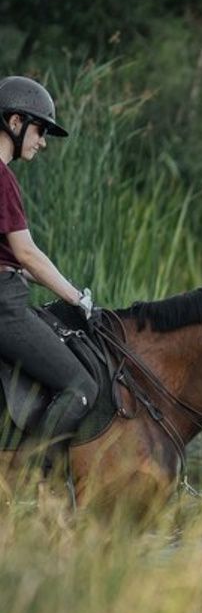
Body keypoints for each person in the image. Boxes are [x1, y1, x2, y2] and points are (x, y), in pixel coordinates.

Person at [0, 75, 98, 480]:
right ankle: (37, 485)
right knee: (81, 386)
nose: (42, 142)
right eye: (40, 131)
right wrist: (79, 300)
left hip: (9, 288)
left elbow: (19, 261)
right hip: (3, 304)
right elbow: (27, 254)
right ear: (16, 121)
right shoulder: (2, 178)